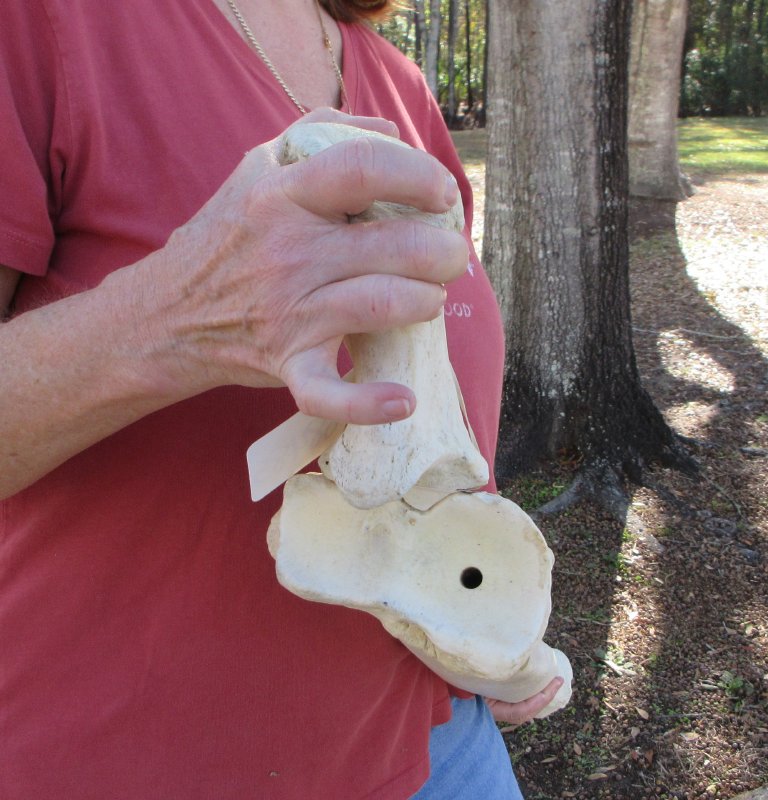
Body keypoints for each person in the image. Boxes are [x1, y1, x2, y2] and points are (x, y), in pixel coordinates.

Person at [0, 1, 564, 797]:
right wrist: (175, 312)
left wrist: (474, 614)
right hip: (124, 762)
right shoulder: (40, 23)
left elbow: (439, 389)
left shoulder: (400, 84)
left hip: (437, 748)